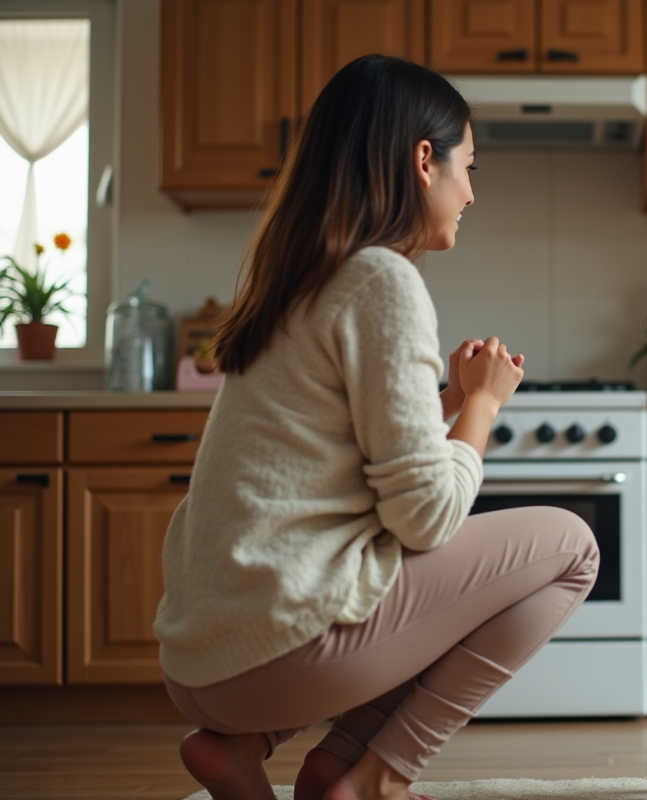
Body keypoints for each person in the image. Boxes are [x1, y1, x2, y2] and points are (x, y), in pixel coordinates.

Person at [152, 54, 599, 800]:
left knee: (442, 572)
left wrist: (447, 402)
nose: (471, 195)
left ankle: (252, 747)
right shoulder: (383, 279)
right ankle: (376, 775)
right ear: (425, 160)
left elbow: (334, 457)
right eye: (470, 166)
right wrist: (484, 406)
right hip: (282, 657)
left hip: (204, 665)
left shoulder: (295, 281)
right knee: (573, 547)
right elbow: (426, 519)